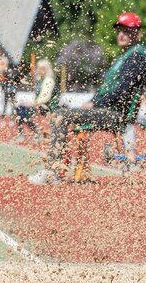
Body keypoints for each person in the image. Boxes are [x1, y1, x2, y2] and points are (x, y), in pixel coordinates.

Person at [29, 12, 146, 184]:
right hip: (107, 110)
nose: (121, 34)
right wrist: (93, 102)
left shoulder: (137, 56)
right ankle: (66, 169)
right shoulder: (127, 55)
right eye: (120, 30)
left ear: (138, 33)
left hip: (115, 115)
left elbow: (122, 92)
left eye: (127, 31)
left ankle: (53, 172)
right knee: (62, 113)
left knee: (61, 116)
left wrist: (93, 103)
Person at [13, 59, 59, 142]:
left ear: (46, 69)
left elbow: (45, 97)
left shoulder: (49, 80)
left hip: (51, 107)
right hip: (42, 106)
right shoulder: (40, 79)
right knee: (21, 112)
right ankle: (33, 132)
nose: (39, 70)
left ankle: (36, 132)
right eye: (38, 68)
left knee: (22, 113)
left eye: (41, 68)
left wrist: (33, 103)